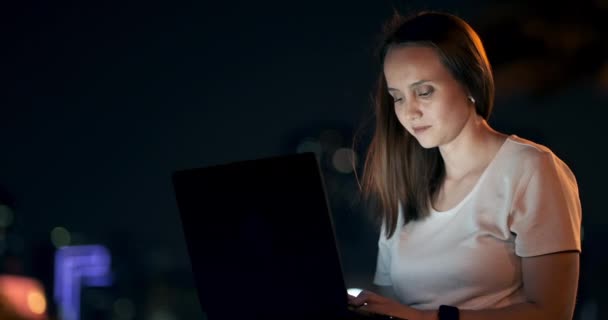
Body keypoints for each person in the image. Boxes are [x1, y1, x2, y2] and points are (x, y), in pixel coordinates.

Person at [348, 10, 582, 320]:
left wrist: (428, 318)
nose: (410, 111)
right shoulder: (407, 185)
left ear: (470, 83)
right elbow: (391, 306)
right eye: (398, 97)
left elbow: (553, 312)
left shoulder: (530, 169)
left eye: (424, 91)